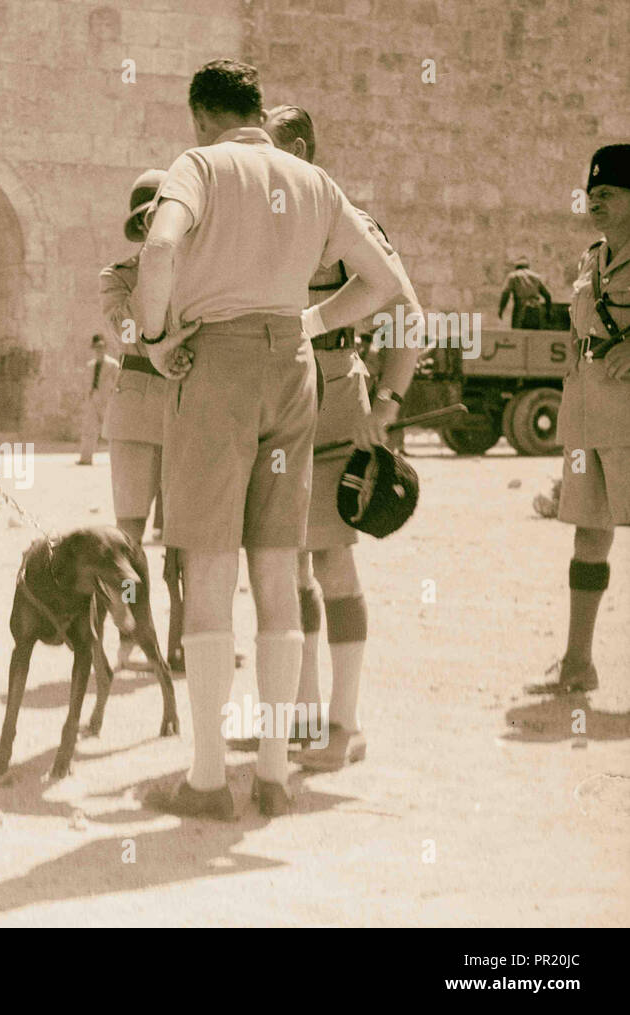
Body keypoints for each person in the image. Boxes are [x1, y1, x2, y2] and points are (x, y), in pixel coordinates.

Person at [134, 60, 405, 819]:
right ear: (257, 109)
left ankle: (210, 780)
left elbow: (158, 250)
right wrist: (310, 322)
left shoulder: (199, 165)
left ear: (200, 117)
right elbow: (382, 282)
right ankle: (279, 774)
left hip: (214, 363)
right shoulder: (312, 181)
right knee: (281, 574)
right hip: (293, 367)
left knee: (212, 570)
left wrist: (156, 339)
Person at [264, 105, 423, 771]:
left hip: (330, 395)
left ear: (298, 148)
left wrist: (386, 402)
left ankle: (345, 725)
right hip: (268, 398)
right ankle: (299, 717)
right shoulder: (261, 220)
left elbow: (409, 316)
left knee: (330, 562)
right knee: (285, 562)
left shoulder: (342, 219)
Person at [527, 143, 630, 696]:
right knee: (589, 537)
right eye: (592, 194)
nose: (596, 202)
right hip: (588, 413)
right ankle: (577, 661)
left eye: (609, 193)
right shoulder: (592, 258)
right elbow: (580, 327)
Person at [99, 168, 184, 671]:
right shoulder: (118, 275)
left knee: (185, 537)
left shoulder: (200, 271)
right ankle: (129, 632)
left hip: (186, 406)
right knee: (126, 537)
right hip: (135, 404)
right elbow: (127, 330)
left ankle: (181, 639)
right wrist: (156, 270)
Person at [76, 334, 120, 465]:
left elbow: (118, 383)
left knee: (112, 431)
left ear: (105, 348)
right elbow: (87, 383)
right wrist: (87, 397)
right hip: (93, 398)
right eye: (96, 348)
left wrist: (114, 399)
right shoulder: (90, 365)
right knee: (89, 428)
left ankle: (116, 460)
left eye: (101, 347)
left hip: (107, 400)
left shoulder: (113, 365)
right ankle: (86, 458)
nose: (99, 350)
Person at [499, 258, 553, 329]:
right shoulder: (536, 277)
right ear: (528, 267)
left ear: (516, 267)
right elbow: (547, 295)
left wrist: (501, 309)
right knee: (535, 336)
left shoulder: (513, 276)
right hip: (536, 310)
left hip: (521, 309)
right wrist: (548, 312)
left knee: (518, 336)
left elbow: (505, 293)